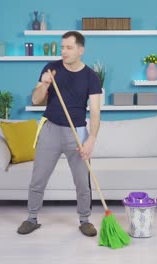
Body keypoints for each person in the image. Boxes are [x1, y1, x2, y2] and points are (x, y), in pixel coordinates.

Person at [17, 31, 102, 237]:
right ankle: (32, 218)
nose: (63, 51)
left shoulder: (91, 77)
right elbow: (36, 100)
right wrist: (45, 84)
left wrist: (91, 140)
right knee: (38, 178)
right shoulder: (50, 69)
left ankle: (84, 220)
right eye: (62, 47)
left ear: (81, 50)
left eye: (69, 47)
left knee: (82, 180)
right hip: (50, 129)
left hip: (77, 133)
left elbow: (96, 112)